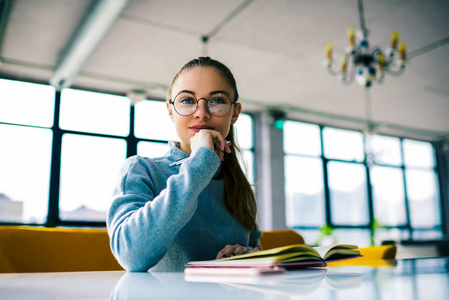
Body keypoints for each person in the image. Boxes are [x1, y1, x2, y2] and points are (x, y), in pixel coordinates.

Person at [107, 57, 262, 272]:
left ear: (234, 112)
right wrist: (201, 164)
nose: (201, 112)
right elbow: (130, 254)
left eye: (217, 100)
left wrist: (244, 255)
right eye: (188, 100)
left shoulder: (239, 186)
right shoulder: (142, 170)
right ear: (171, 111)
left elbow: (258, 255)